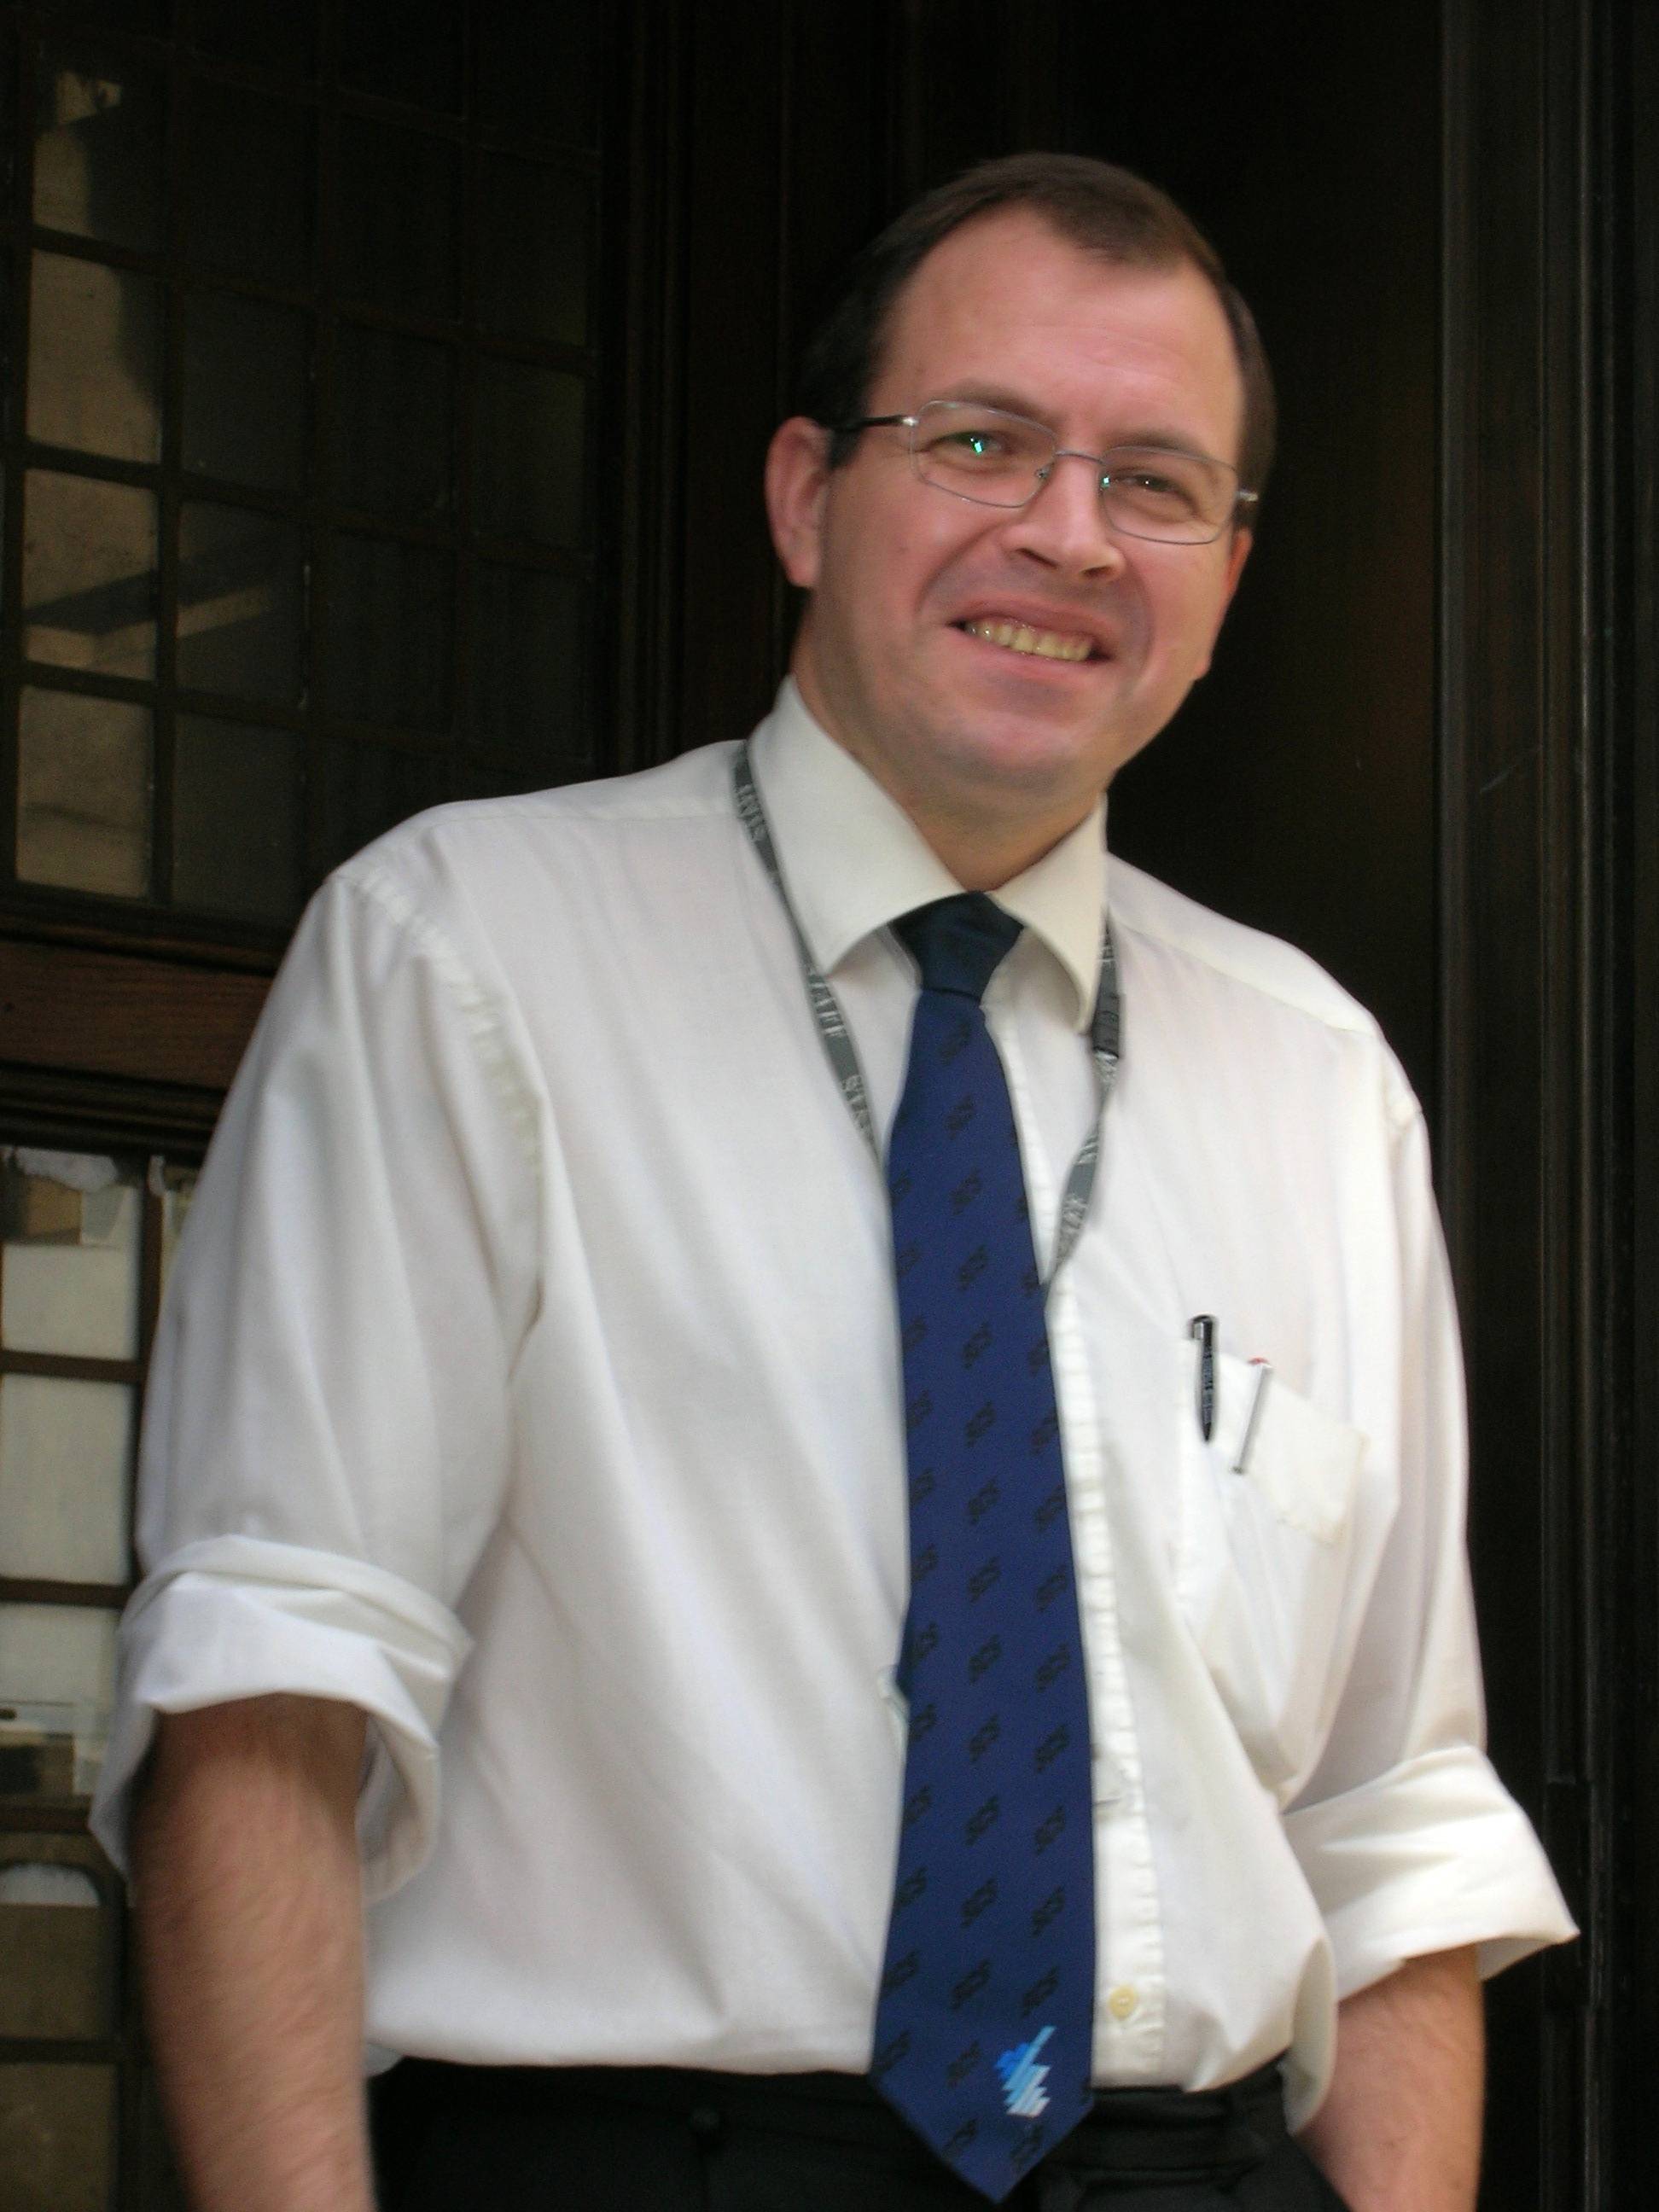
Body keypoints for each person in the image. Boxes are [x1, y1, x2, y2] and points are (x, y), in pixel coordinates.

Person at [92, 154, 1574, 2212]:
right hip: (649, 2161)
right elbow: (276, 1680)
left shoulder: (1320, 1079)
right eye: (981, 442)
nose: (1068, 533)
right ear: (805, 497)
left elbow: (1393, 1818)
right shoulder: (465, 950)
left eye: (1155, 483)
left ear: (1229, 578)